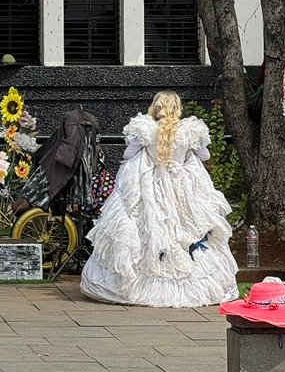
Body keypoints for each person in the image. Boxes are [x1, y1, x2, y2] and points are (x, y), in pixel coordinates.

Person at [80, 91, 239, 307]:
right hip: (181, 192)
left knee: (147, 230)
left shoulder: (145, 129)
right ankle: (193, 286)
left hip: (150, 190)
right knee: (185, 232)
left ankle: (137, 285)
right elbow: (206, 156)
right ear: (177, 108)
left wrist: (148, 155)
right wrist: (184, 156)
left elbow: (128, 155)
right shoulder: (189, 131)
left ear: (156, 107)